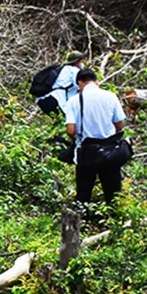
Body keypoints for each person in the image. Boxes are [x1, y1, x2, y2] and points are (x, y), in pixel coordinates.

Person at [62, 68, 127, 205]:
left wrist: (74, 139)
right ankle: (115, 219)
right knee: (113, 192)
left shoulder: (74, 101)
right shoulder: (111, 96)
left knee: (84, 193)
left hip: (87, 152)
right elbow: (119, 125)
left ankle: (83, 221)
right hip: (110, 152)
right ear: (97, 82)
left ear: (79, 83)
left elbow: (70, 130)